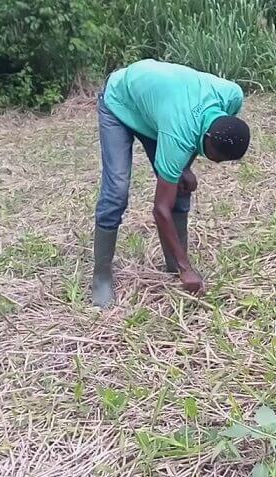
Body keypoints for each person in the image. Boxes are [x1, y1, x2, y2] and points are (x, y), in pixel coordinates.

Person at [92, 59, 251, 308]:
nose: (216, 164)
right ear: (206, 138)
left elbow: (197, 135)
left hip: (158, 107)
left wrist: (184, 168)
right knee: (117, 192)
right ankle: (101, 275)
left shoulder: (231, 96)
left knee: (180, 187)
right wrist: (187, 267)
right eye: (215, 158)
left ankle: (173, 264)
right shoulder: (179, 132)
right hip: (120, 102)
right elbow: (160, 209)